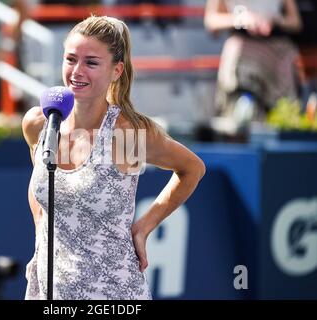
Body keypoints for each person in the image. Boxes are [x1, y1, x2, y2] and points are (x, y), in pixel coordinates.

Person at [22, 15, 206, 300]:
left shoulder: (127, 133)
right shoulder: (40, 122)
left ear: (116, 70)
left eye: (91, 62)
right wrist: (40, 235)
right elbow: (39, 185)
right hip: (48, 288)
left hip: (113, 295)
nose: (77, 71)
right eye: (71, 59)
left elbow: (192, 168)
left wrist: (144, 227)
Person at [204, 0, 303, 129]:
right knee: (238, 56)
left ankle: (276, 119)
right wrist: (241, 19)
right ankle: (241, 117)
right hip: (242, 48)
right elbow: (211, 21)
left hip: (277, 50)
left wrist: (274, 20)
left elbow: (295, 22)